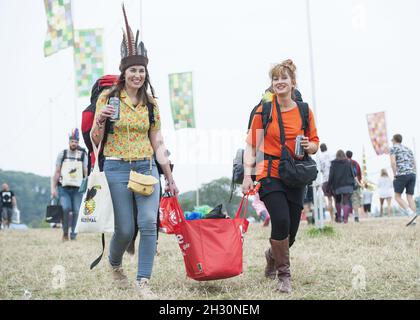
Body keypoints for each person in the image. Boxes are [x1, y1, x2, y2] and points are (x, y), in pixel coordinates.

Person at [91, 5, 178, 298]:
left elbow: (158, 141)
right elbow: (94, 139)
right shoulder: (108, 96)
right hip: (116, 168)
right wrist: (101, 119)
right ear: (124, 72)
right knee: (126, 229)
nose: (137, 75)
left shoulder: (152, 104)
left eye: (141, 70)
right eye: (132, 70)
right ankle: (115, 264)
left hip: (146, 167)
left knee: (148, 223)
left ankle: (143, 282)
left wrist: (169, 175)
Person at [242, 59, 319, 293]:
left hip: (295, 174)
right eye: (275, 79)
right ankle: (284, 277)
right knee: (281, 221)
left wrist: (309, 146)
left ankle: (271, 256)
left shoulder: (304, 111)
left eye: (284, 78)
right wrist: (248, 175)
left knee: (291, 233)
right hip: (270, 172)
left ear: (293, 83)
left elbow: (315, 143)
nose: (279, 82)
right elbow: (251, 145)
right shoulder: (264, 110)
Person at [51, 128, 88, 241]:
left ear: (78, 142)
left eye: (76, 142)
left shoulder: (82, 155)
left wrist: (86, 185)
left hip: (77, 188)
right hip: (63, 188)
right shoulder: (62, 154)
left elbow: (85, 171)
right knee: (66, 208)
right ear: (69, 142)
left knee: (77, 210)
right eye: (72, 141)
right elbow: (57, 171)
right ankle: (65, 232)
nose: (74, 144)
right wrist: (53, 187)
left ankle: (74, 234)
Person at [389, 134, 417, 226]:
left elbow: (393, 163)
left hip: (402, 174)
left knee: (397, 196)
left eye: (392, 140)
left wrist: (395, 175)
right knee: (410, 197)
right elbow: (414, 162)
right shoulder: (408, 149)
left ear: (394, 140)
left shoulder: (393, 148)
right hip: (412, 174)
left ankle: (410, 212)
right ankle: (413, 220)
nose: (391, 142)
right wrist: (414, 172)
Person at [328, 150, 355, 223]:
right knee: (346, 202)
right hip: (348, 185)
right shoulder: (348, 162)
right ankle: (345, 219)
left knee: (338, 201)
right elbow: (352, 173)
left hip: (337, 185)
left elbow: (331, 175)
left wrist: (329, 185)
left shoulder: (333, 164)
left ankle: (339, 218)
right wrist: (353, 183)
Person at [318, 143, 334, 221]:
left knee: (329, 199)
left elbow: (320, 169)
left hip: (325, 180)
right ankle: (338, 216)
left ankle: (332, 218)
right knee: (336, 199)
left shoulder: (320, 157)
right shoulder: (331, 154)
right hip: (332, 179)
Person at [346, 150, 363, 222]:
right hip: (355, 185)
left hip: (346, 185)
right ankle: (356, 216)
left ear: (346, 155)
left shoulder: (344, 164)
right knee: (355, 201)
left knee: (345, 201)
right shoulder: (356, 163)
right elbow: (359, 173)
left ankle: (346, 217)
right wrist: (359, 182)